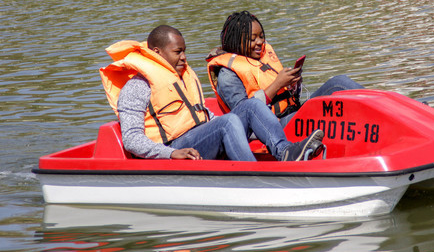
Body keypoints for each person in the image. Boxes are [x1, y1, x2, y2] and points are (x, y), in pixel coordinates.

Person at [100, 25, 324, 162]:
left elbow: (204, 116)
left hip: (201, 138)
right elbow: (131, 139)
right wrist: (169, 154)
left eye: (184, 51)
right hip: (175, 149)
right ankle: (254, 178)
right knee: (227, 123)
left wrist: (256, 129)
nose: (184, 58)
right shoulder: (137, 86)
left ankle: (285, 152)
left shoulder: (182, 77)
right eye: (177, 52)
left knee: (250, 107)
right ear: (157, 52)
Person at [206, 11, 365, 127]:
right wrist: (277, 85)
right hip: (273, 127)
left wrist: (292, 84)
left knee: (339, 82)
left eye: (261, 36)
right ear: (235, 42)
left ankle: (383, 108)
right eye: (252, 39)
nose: (260, 42)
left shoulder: (259, 57)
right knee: (320, 116)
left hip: (292, 112)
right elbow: (244, 114)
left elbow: (284, 98)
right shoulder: (227, 75)